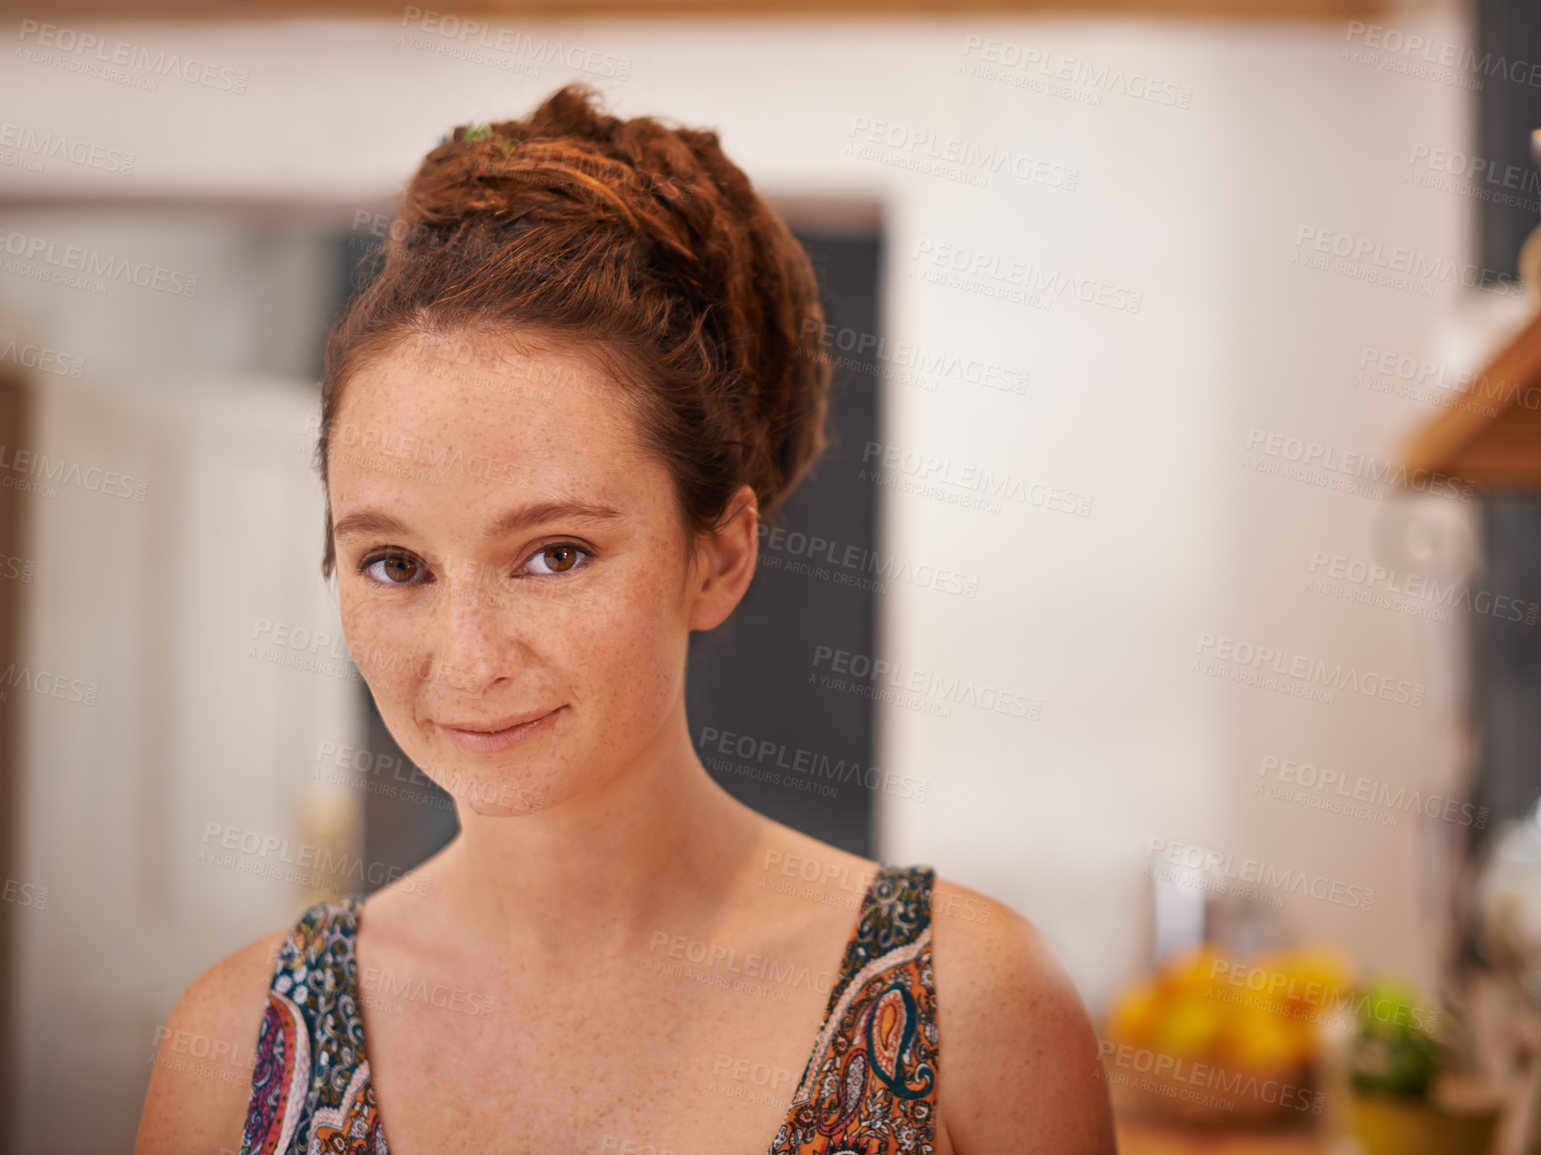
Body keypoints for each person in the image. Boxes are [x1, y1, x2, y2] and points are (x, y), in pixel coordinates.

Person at [134, 83, 1114, 1155]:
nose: (469, 658)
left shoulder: (978, 1009)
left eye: (554, 554)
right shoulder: (231, 1053)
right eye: (396, 563)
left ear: (720, 556)